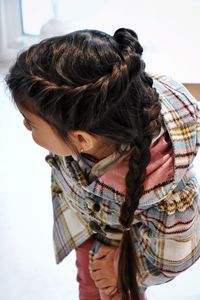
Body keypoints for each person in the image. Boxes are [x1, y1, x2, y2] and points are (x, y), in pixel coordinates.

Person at [5, 28, 200, 300]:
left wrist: (123, 266)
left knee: (110, 291)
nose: (26, 127)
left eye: (31, 123)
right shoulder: (111, 102)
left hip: (127, 258)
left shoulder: (166, 193)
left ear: (81, 139)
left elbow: (173, 259)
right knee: (87, 284)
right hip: (89, 225)